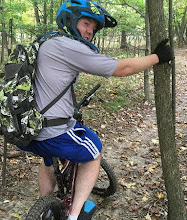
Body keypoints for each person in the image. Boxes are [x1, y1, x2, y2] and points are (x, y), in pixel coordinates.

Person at [18, 0, 173, 219]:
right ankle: (73, 215)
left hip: (27, 128)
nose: (90, 31)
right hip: (52, 130)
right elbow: (122, 69)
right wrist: (157, 57)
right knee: (94, 152)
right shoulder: (68, 46)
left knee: (48, 156)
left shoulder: (48, 42)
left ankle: (46, 207)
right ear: (70, 20)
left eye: (93, 27)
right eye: (86, 23)